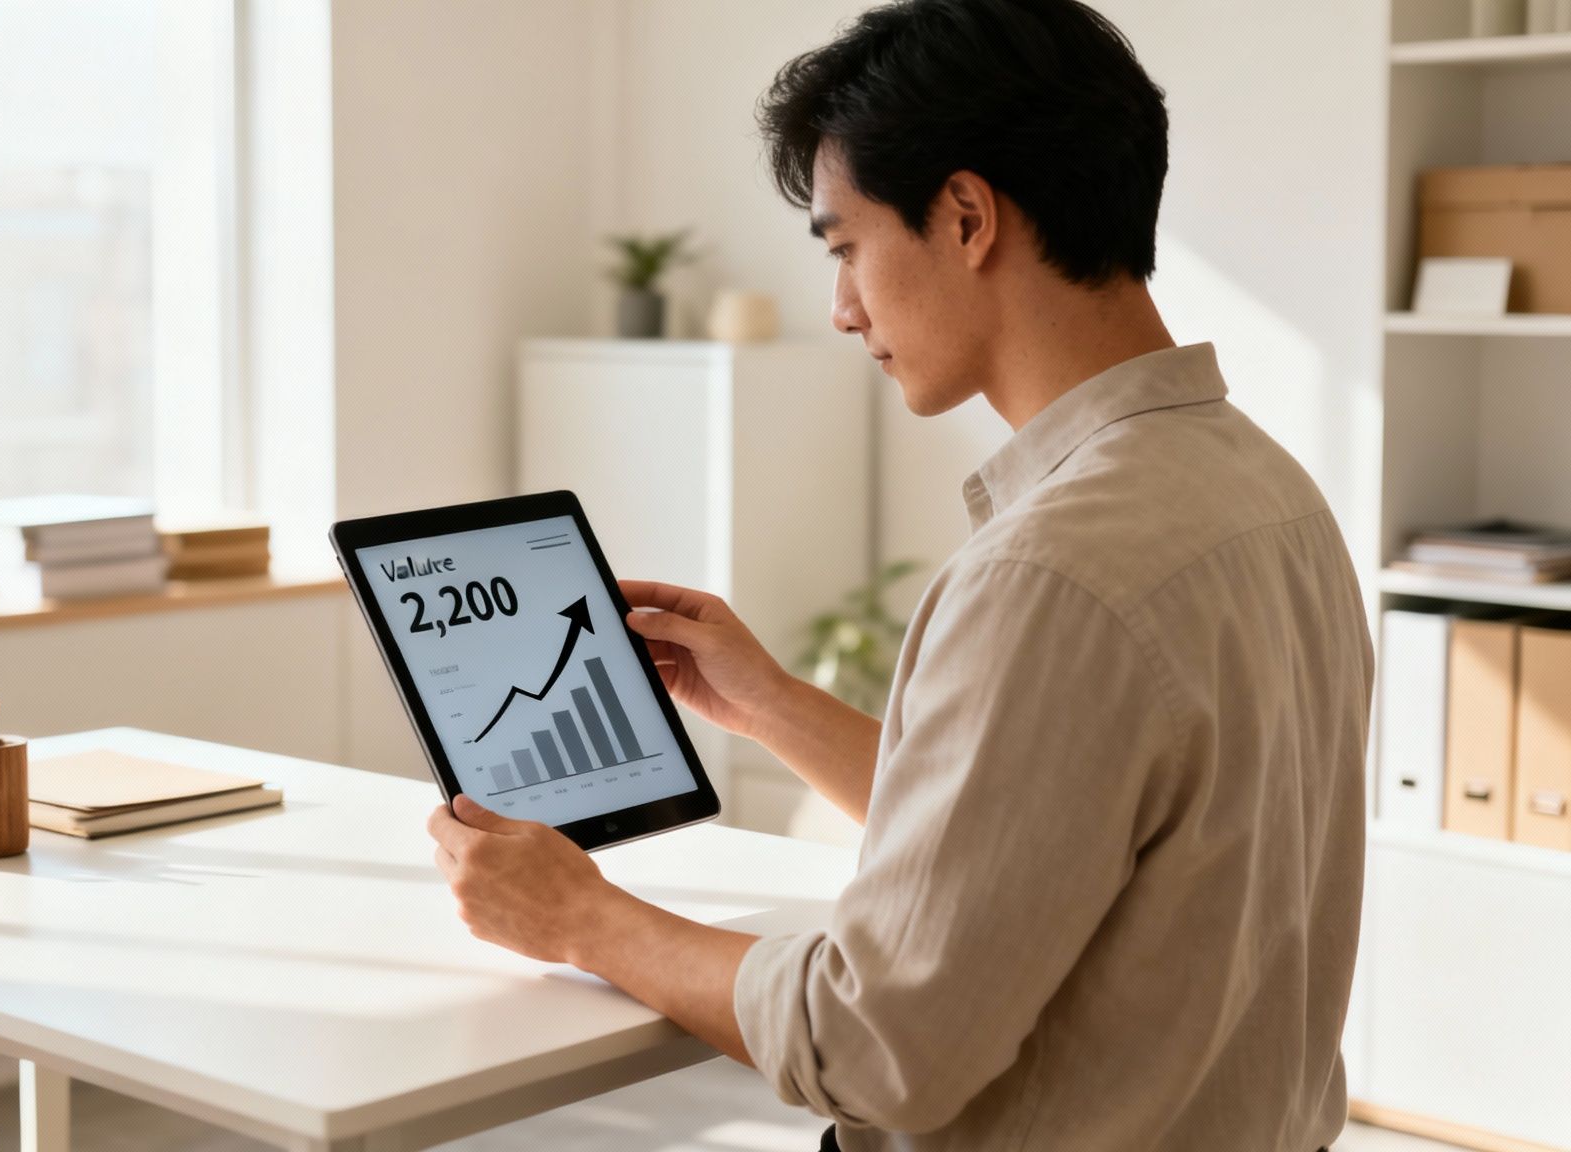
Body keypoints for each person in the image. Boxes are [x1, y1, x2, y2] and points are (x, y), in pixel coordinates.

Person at [425, 0, 1373, 1147]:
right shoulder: (1266, 493)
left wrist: (582, 919)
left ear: (966, 216)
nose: (840, 309)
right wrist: (768, 702)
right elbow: (1037, 839)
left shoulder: (1051, 571)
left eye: (844, 247)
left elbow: (870, 1044)